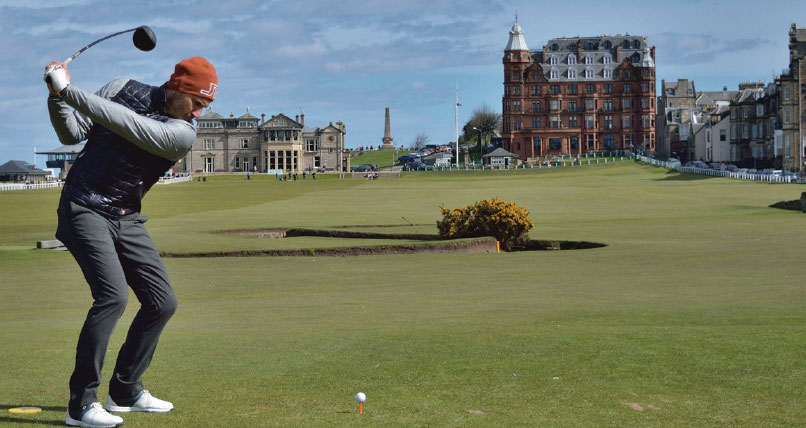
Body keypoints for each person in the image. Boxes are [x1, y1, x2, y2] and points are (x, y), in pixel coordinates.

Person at [44, 56, 217, 428]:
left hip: (126, 215)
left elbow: (128, 124)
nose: (200, 114)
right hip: (84, 207)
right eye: (199, 103)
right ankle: (81, 404)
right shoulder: (121, 87)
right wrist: (56, 97)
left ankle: (124, 390)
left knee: (162, 302)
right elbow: (72, 134)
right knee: (112, 297)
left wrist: (70, 90)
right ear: (178, 88)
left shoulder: (182, 133)